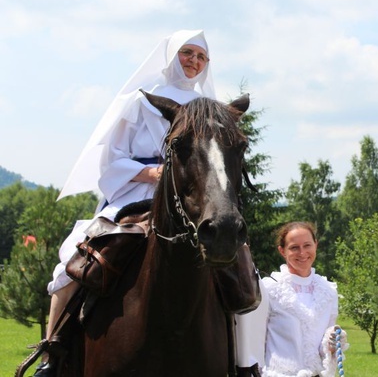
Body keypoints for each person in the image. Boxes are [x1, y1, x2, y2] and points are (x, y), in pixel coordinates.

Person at [34, 29, 217, 377]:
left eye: (201, 57)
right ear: (170, 54)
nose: (194, 61)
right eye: (187, 52)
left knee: (243, 272)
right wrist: (151, 173)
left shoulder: (208, 109)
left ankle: (245, 363)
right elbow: (112, 160)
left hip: (191, 201)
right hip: (137, 196)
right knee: (70, 265)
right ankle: (51, 356)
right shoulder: (138, 100)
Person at [235, 221, 348, 377]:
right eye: (294, 247)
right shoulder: (269, 289)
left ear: (316, 245)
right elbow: (254, 344)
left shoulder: (328, 291)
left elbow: (319, 348)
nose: (302, 253)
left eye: (307, 245)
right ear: (282, 251)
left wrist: (331, 343)